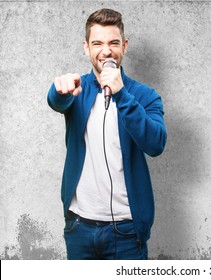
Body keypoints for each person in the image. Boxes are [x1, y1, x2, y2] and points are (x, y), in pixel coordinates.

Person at [47, 8, 167, 260]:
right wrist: (58, 89)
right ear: (86, 47)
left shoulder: (145, 95)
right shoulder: (77, 89)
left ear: (124, 46)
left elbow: (156, 144)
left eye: (113, 42)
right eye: (97, 43)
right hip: (79, 227)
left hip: (126, 230)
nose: (106, 50)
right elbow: (56, 100)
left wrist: (122, 94)